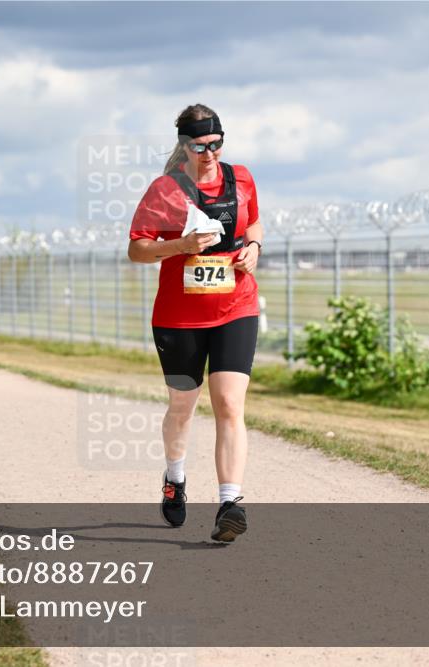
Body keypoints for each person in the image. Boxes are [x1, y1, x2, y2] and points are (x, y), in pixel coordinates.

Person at [127, 104, 263, 543]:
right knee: (183, 408)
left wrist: (255, 247)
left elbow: (254, 220)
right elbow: (138, 249)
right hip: (179, 316)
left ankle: (230, 504)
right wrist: (180, 245)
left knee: (229, 404)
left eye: (216, 144)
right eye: (200, 146)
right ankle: (175, 476)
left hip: (235, 305)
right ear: (184, 146)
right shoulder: (165, 191)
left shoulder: (241, 178)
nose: (210, 153)